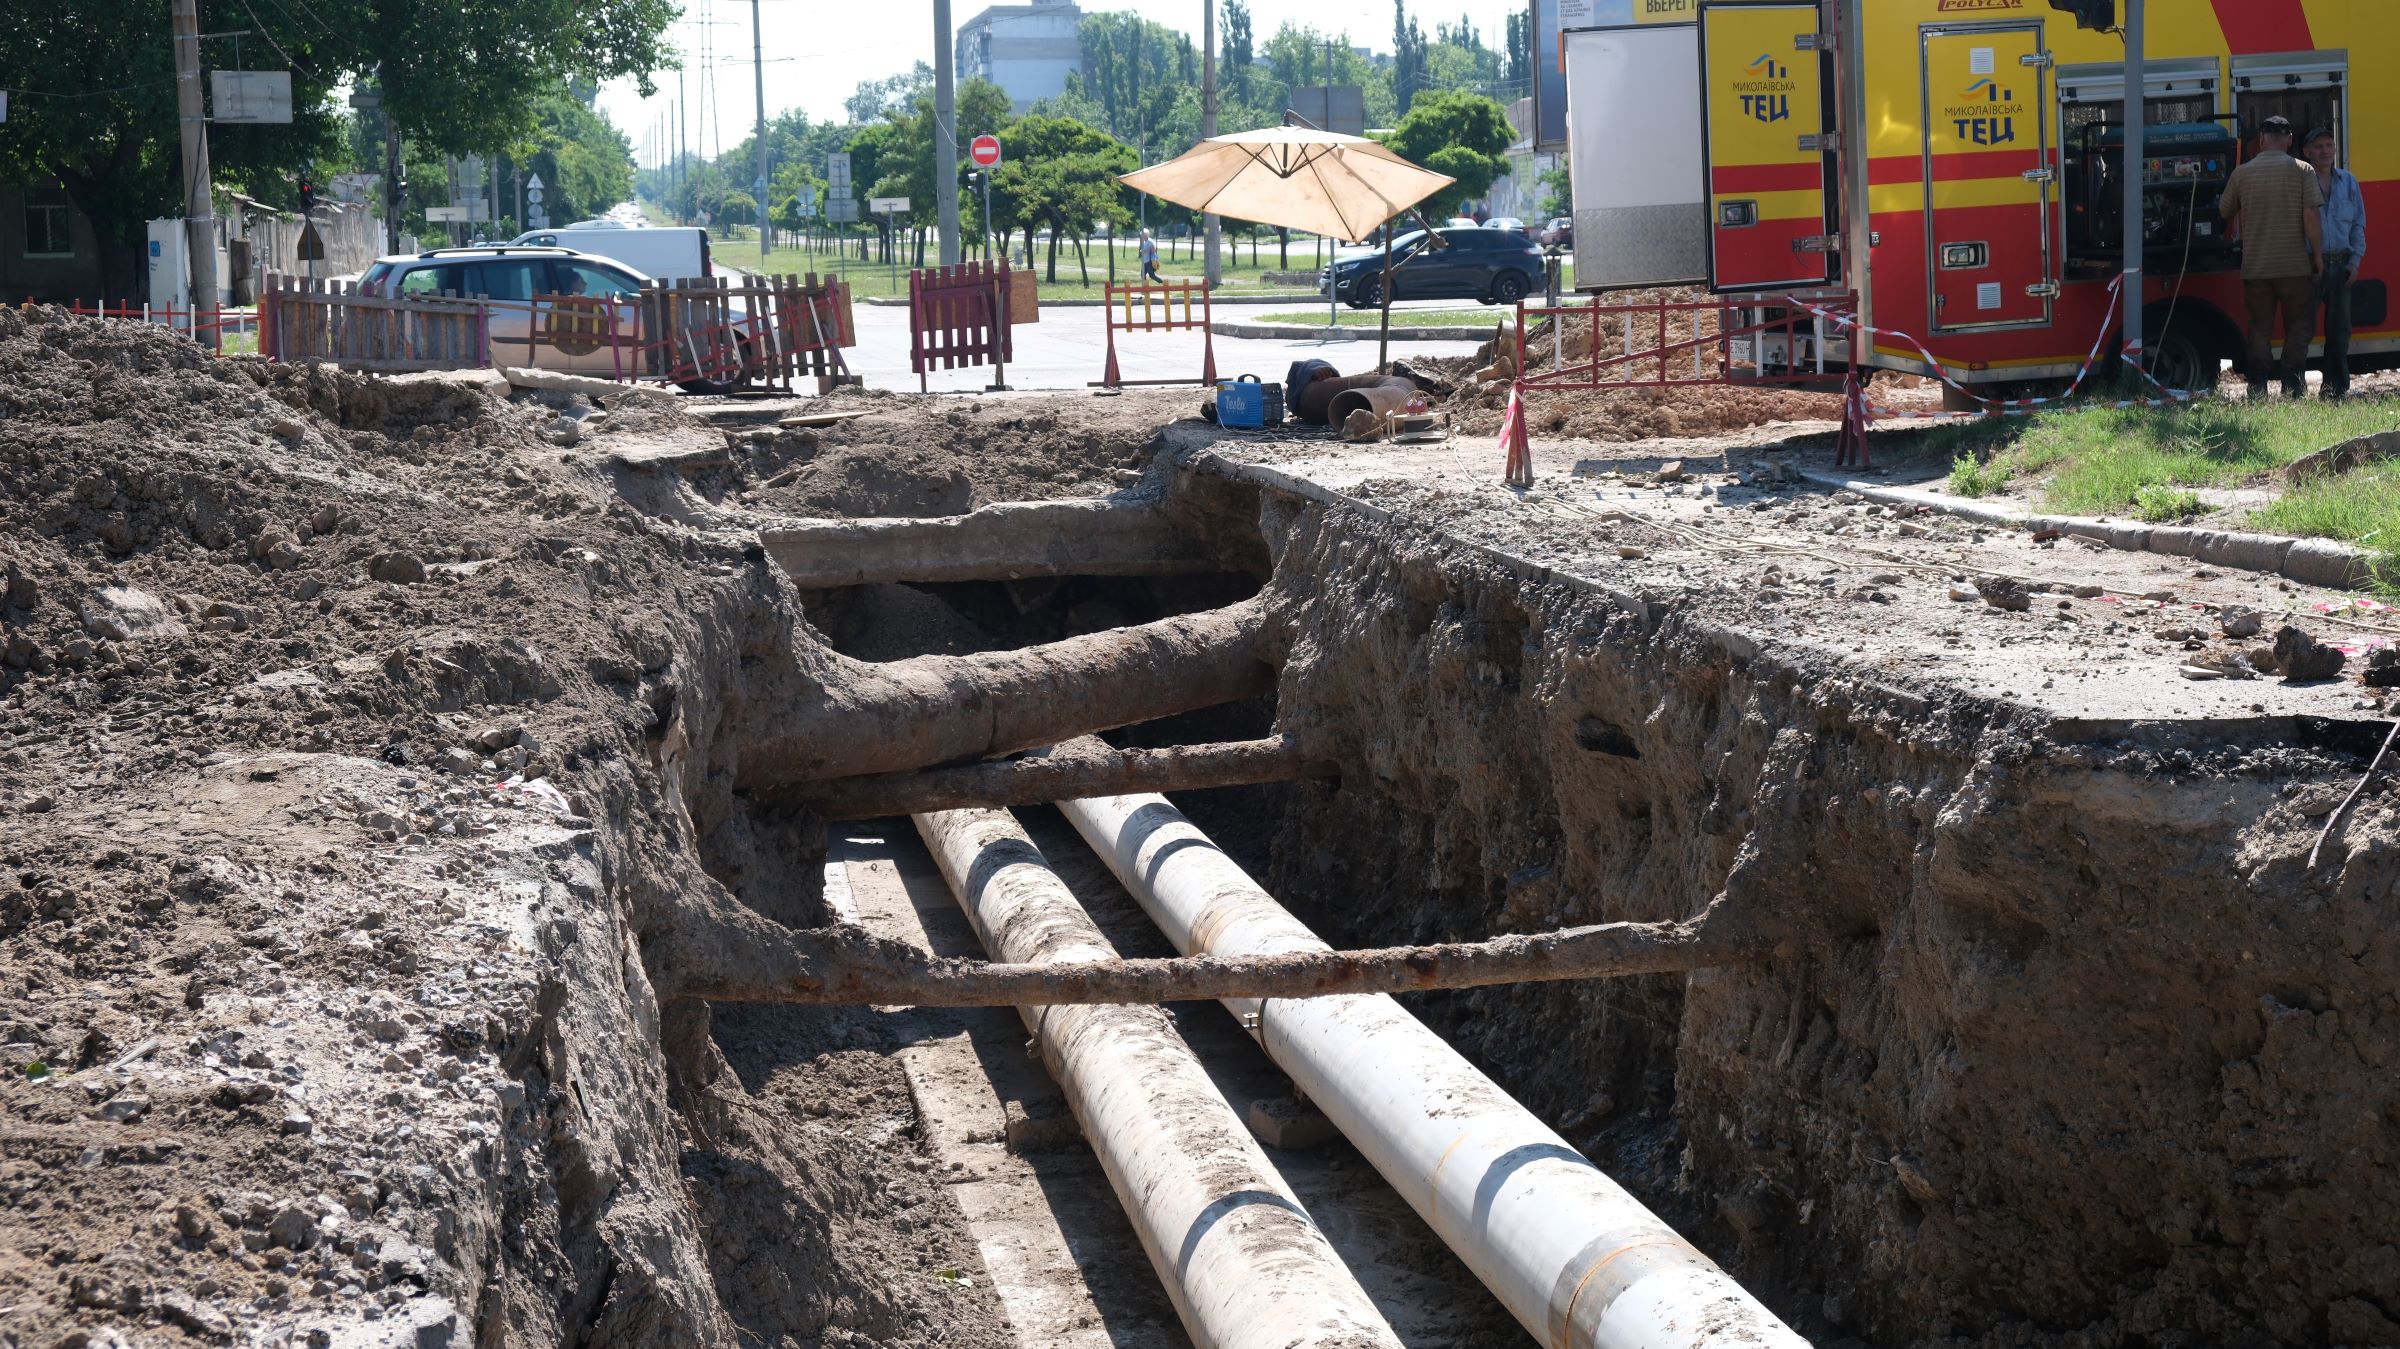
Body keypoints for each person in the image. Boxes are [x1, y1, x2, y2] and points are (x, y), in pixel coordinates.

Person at [2218, 115, 2324, 399]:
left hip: (2256, 269)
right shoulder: (2303, 170)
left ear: (2262, 140)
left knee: (2259, 329)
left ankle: (2258, 388)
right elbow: (2311, 215)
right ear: (2289, 140)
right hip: (2294, 268)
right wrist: (2318, 257)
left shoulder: (2241, 174)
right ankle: (2292, 387)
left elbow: (2224, 211)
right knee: (2299, 326)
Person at [2302, 126, 2365, 400]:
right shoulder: (2300, 182)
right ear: (2306, 152)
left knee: (2339, 333)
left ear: (2335, 149)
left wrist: (2355, 262)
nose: (2324, 151)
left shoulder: (2349, 182)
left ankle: (2335, 391)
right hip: (2309, 267)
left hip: (2341, 267)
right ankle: (2295, 390)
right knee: (2301, 331)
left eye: (2328, 145)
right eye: (2318, 146)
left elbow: (2358, 225)